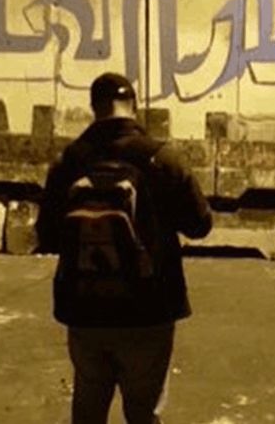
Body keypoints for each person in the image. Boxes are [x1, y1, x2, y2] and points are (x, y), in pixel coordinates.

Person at [40, 72, 213, 424]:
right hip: (148, 310)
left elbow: (48, 235)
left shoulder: (69, 161)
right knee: (143, 411)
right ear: (133, 106)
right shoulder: (162, 159)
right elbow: (199, 225)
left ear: (94, 107)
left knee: (88, 408)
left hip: (85, 308)